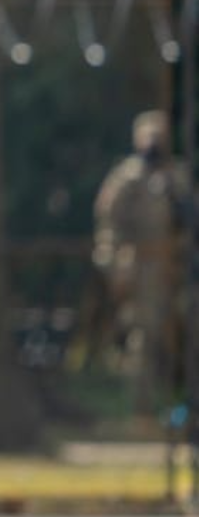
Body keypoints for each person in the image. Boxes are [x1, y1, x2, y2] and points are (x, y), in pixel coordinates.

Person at [92, 110, 193, 410]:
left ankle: (181, 410)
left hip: (174, 268)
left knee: (181, 338)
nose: (155, 142)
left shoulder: (177, 176)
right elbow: (109, 228)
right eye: (150, 136)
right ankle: (143, 407)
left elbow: (188, 223)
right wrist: (117, 267)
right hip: (140, 268)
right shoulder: (126, 178)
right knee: (143, 339)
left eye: (160, 136)